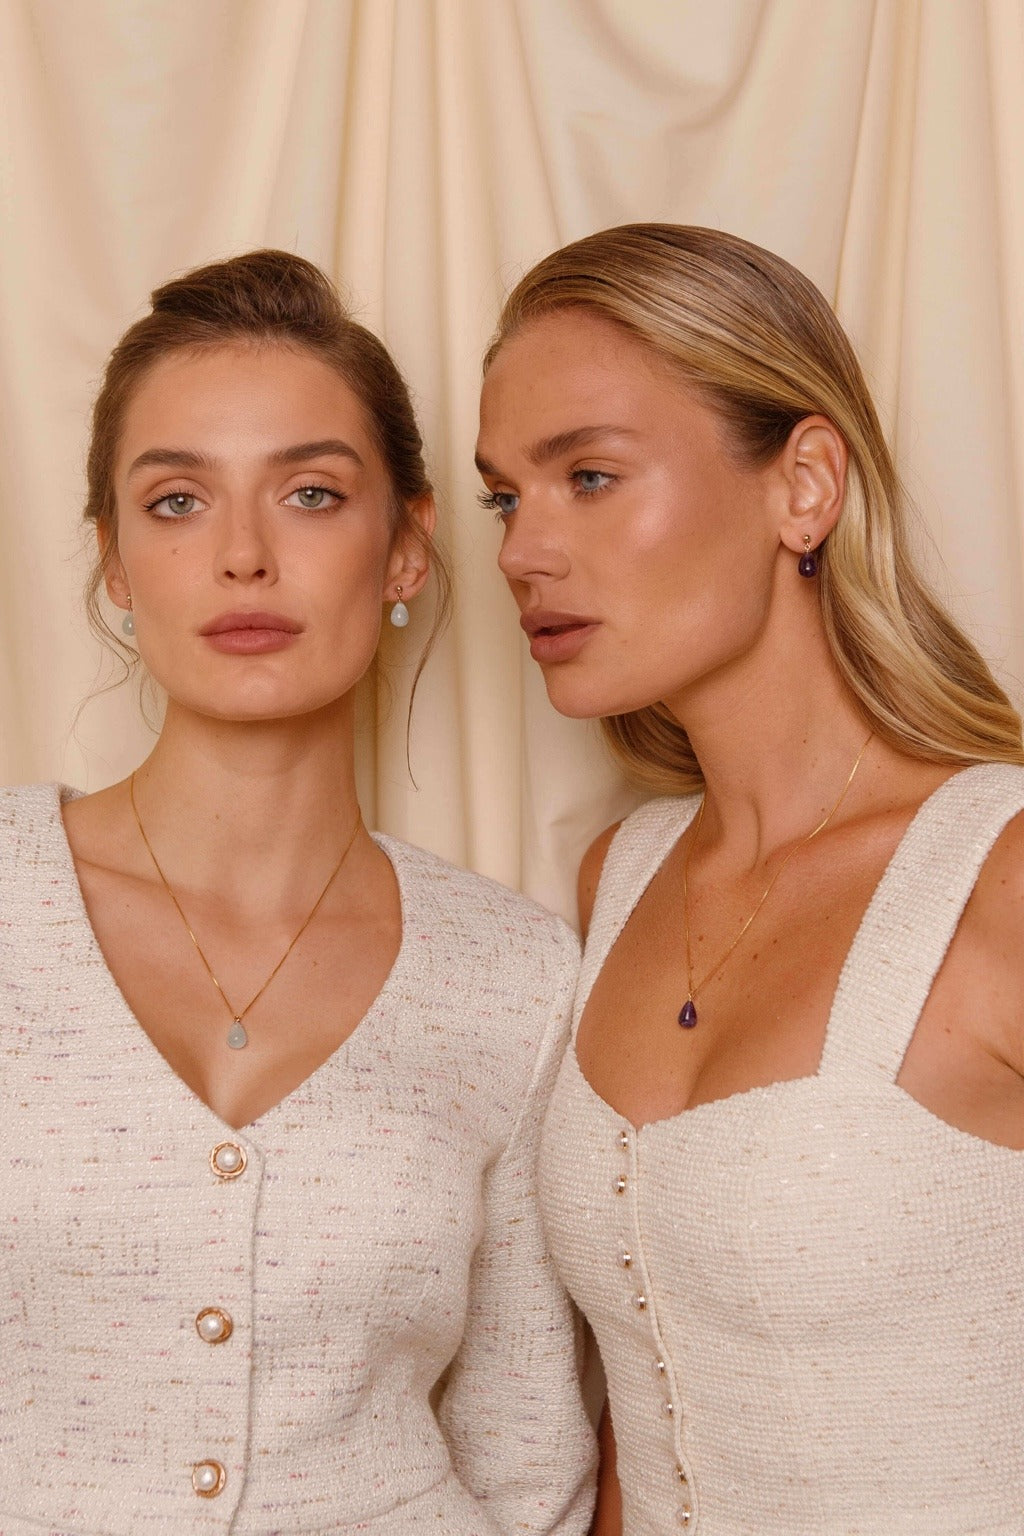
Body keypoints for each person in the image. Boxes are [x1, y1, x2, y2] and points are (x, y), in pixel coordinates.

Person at [0, 249, 595, 1534]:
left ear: (405, 552)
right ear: (111, 560)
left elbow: (528, 1459)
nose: (244, 558)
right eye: (176, 504)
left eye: (313, 494)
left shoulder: (518, 978)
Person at [475, 223, 1024, 1535]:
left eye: (590, 477)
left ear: (805, 485)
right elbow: (636, 1427)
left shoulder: (998, 874)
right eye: (506, 496)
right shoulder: (624, 875)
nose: (521, 552)